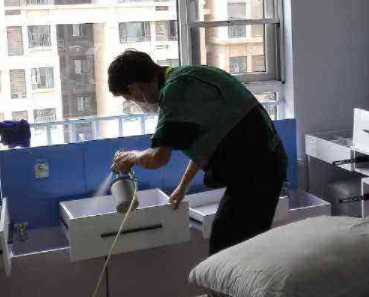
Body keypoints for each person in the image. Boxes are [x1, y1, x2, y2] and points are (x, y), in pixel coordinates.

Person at [109, 50, 288, 255]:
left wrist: (131, 157)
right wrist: (182, 187)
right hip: (264, 166)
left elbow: (158, 158)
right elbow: (206, 141)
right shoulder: (190, 76)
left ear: (135, 87)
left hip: (257, 172)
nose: (137, 103)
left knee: (226, 249)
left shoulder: (175, 92)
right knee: (237, 246)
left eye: (130, 98)